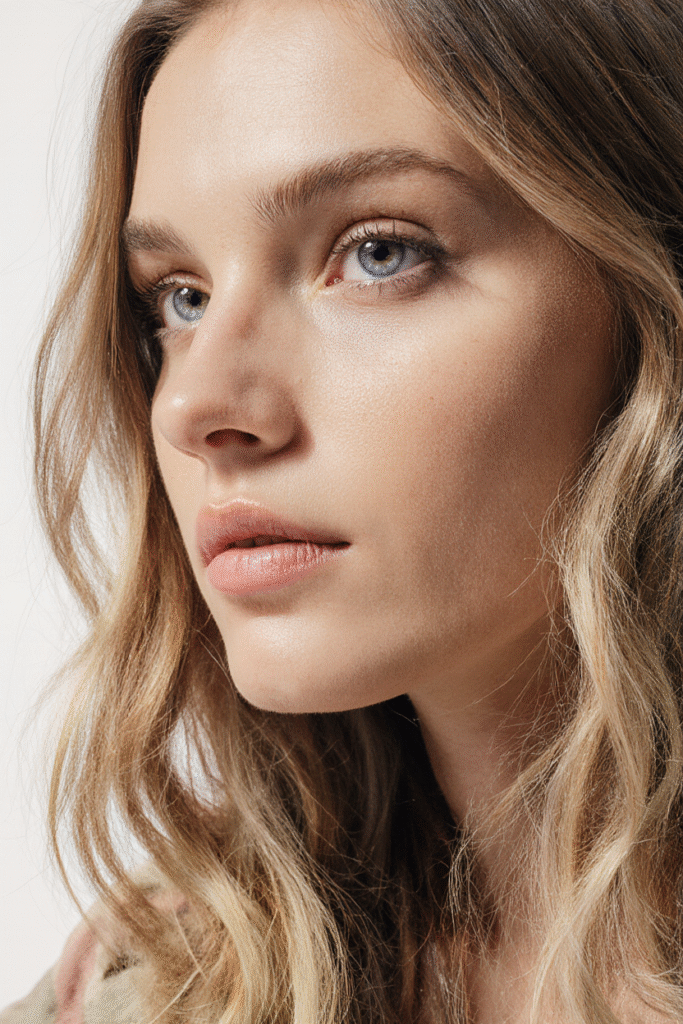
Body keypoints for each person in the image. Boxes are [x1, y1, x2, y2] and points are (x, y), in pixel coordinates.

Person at [3, 0, 683, 1020]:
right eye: (180, 297)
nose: (195, 406)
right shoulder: (163, 982)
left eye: (378, 253)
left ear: (652, 305)